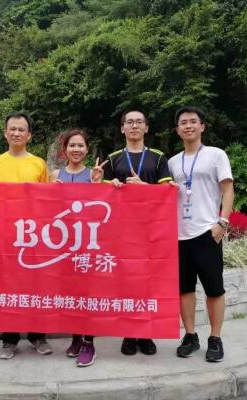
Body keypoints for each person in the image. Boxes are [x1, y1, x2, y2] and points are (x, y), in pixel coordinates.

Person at [102, 109, 172, 356]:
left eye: (139, 122)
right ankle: (129, 333)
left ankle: (146, 333)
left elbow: (168, 193)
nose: (134, 126)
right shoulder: (112, 159)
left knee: (149, 283)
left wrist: (144, 187)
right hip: (122, 232)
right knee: (126, 283)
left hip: (151, 231)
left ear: (146, 127)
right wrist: (109, 184)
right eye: (129, 122)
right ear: (122, 128)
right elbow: (100, 193)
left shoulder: (158, 157)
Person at [0, 112, 52, 360]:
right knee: (7, 285)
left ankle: (37, 335)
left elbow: (47, 200)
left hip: (32, 235)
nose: (16, 133)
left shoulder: (38, 164)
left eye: (21, 129)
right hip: (5, 234)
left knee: (35, 284)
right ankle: (9, 339)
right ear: (5, 133)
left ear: (29, 135)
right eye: (12, 129)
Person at [168, 106, 234, 363]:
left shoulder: (216, 155)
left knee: (214, 289)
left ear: (202, 126)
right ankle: (190, 335)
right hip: (179, 235)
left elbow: (227, 189)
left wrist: (222, 223)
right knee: (184, 290)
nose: (188, 126)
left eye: (193, 121)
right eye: (183, 123)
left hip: (207, 232)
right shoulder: (173, 162)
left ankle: (215, 339)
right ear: (177, 130)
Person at [50, 128, 106, 367]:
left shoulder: (93, 174)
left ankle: (89, 343)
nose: (76, 149)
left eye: (80, 145)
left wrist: (98, 184)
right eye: (72, 145)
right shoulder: (55, 174)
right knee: (70, 293)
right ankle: (76, 337)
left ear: (87, 149)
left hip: (87, 244)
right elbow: (46, 209)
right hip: (63, 245)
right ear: (65, 149)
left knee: (88, 293)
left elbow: (102, 208)